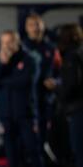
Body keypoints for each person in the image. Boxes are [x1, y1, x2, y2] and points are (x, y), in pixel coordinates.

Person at [0, 30, 49, 167]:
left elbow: (25, 81)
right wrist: (2, 64)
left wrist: (4, 81)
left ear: (17, 42)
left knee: (32, 150)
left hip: (26, 115)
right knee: (12, 155)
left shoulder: (29, 60)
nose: (6, 46)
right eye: (4, 42)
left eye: (10, 42)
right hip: (6, 116)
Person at [45, 24, 83, 167]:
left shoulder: (72, 57)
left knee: (79, 150)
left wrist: (55, 87)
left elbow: (70, 86)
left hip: (78, 109)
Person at [22, 14, 60, 158]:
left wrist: (56, 82)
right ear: (26, 28)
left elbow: (60, 73)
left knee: (45, 137)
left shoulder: (51, 48)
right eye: (32, 25)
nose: (35, 28)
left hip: (46, 100)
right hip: (27, 102)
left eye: (38, 24)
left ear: (43, 26)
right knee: (28, 141)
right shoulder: (22, 48)